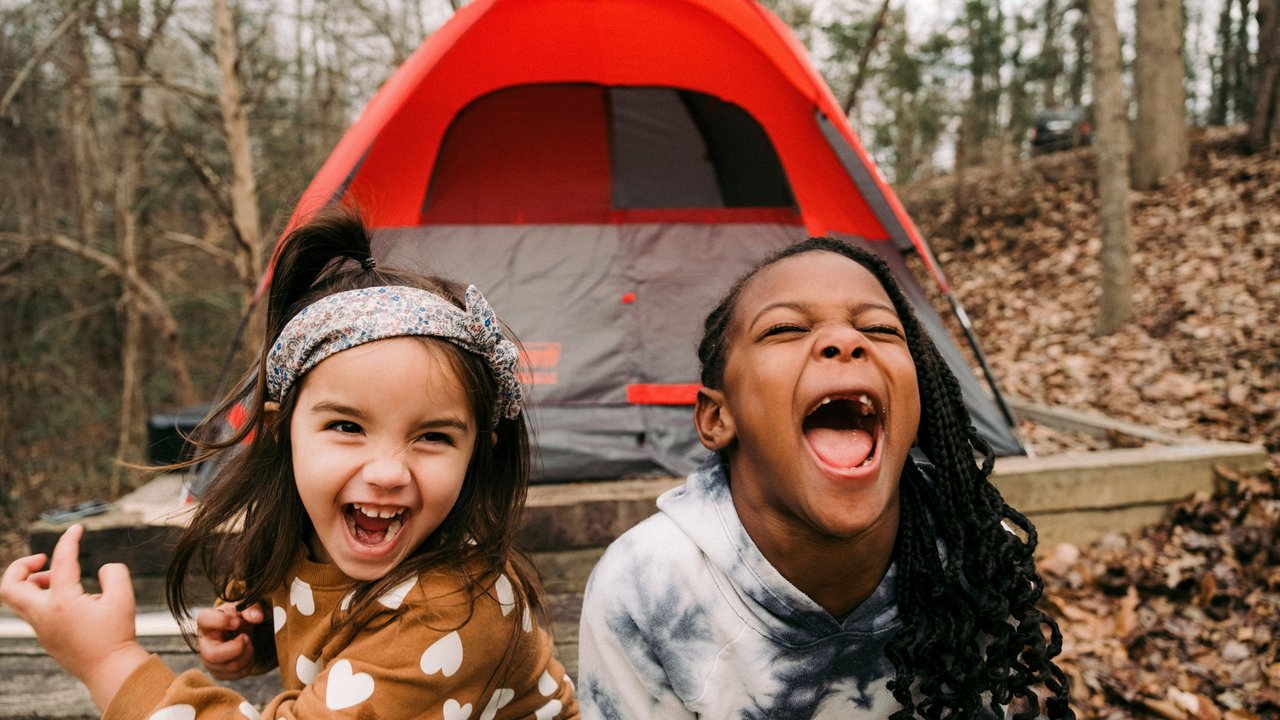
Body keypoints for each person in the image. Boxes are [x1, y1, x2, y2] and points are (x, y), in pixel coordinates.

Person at [1, 207, 579, 720]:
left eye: (432, 436)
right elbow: (336, 626)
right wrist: (257, 638)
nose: (386, 471)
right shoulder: (305, 541)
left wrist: (107, 661)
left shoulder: (452, 613)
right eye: (347, 427)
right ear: (281, 435)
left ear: (478, 454)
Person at [577, 237, 1073, 719]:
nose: (845, 341)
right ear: (716, 417)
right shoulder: (647, 585)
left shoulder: (976, 553)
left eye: (880, 329)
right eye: (785, 329)